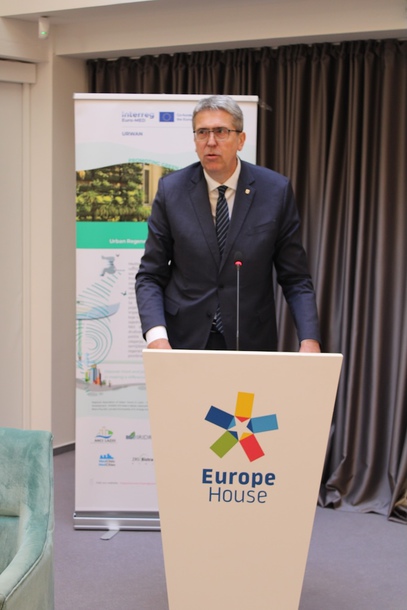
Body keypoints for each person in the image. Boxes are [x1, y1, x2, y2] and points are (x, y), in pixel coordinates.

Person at [135, 95, 321, 353]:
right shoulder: (171, 191)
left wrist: (309, 339)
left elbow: (296, 278)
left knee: (248, 386)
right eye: (202, 132)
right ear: (195, 140)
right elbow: (150, 275)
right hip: (183, 342)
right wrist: (157, 337)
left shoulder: (274, 191)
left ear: (240, 140)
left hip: (250, 341)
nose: (211, 141)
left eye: (221, 131)